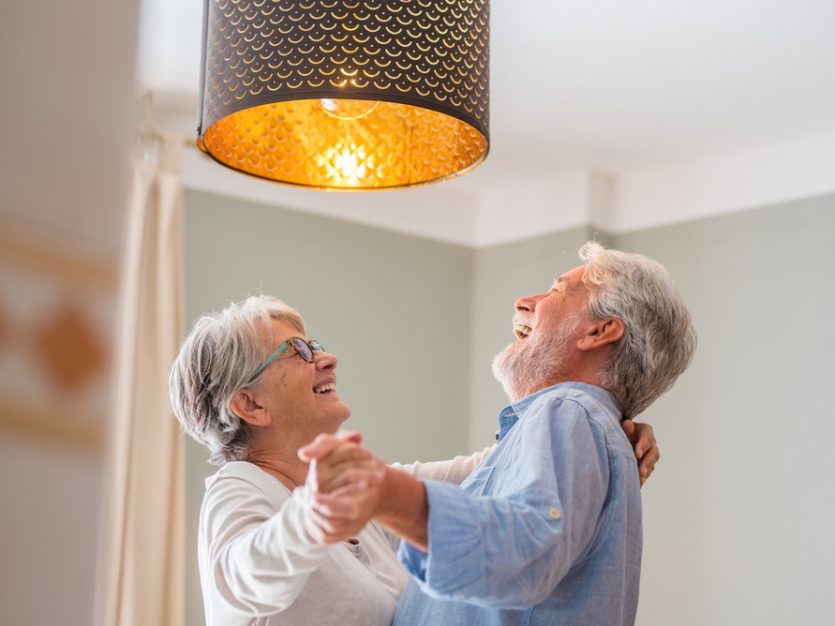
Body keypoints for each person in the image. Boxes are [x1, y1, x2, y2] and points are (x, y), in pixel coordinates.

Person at [168, 292, 661, 625]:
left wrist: (607, 432)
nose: (326, 357)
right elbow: (242, 579)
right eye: (297, 350)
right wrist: (309, 517)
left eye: (314, 344)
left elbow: (493, 467)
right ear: (249, 405)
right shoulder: (239, 488)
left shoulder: (368, 497)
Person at [302, 242, 696, 626]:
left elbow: (523, 556)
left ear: (599, 332)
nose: (524, 301)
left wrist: (384, 493)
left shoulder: (568, 411)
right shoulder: (580, 424)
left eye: (556, 291)